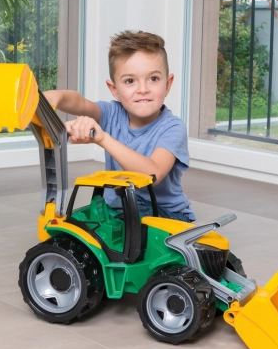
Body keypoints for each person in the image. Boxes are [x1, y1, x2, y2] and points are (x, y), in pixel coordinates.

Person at [44, 30, 196, 222]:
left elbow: (152, 174)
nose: (143, 89)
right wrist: (55, 97)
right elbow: (80, 103)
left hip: (165, 215)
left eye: (154, 79)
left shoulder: (173, 127)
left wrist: (103, 139)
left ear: (168, 84)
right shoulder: (111, 114)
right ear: (114, 89)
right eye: (130, 81)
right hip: (120, 209)